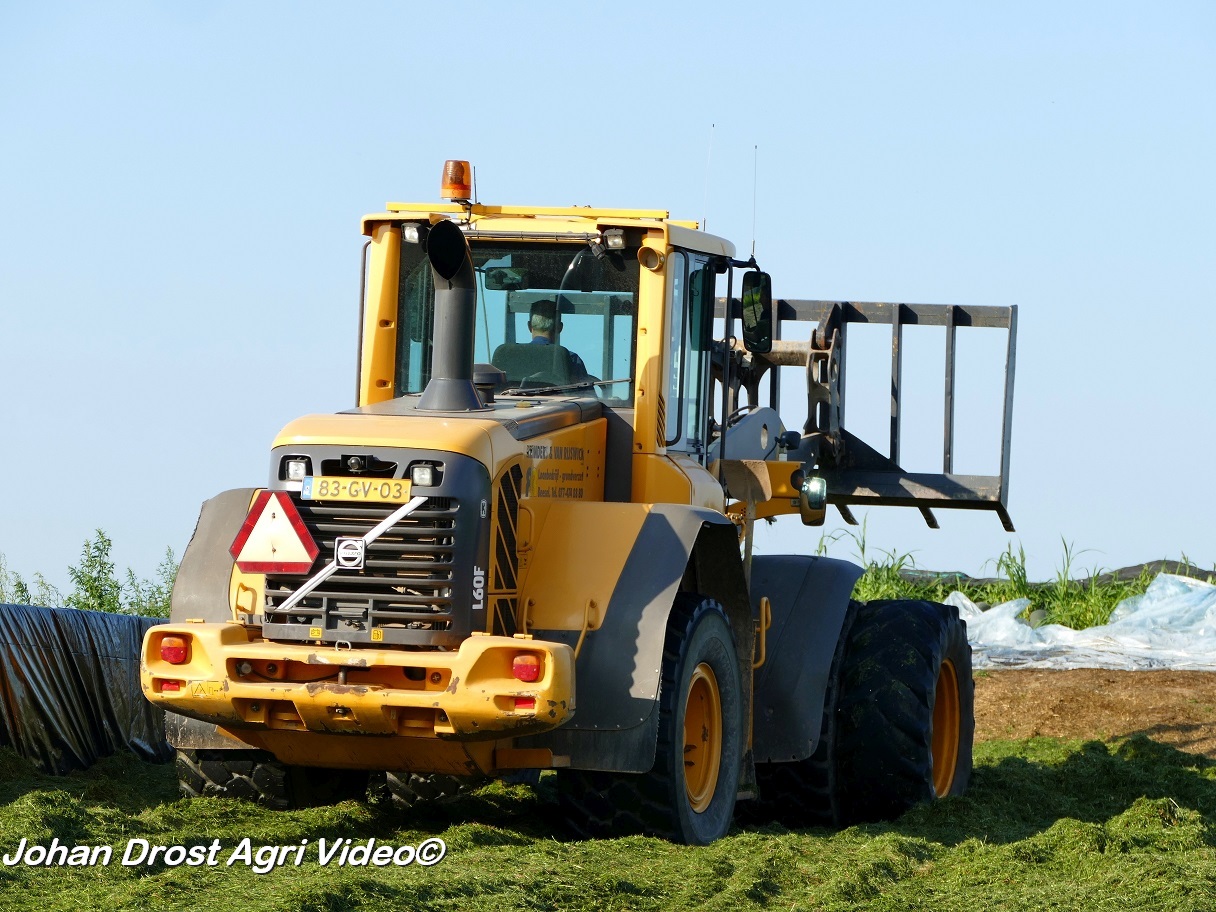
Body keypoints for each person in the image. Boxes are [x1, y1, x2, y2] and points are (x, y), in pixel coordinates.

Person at [527, 300, 590, 382]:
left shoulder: (512, 355)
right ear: (560, 328)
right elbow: (586, 393)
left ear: (529, 326)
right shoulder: (571, 359)